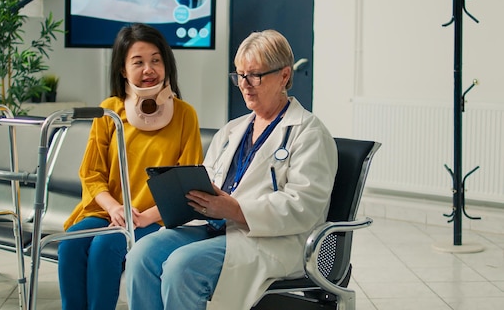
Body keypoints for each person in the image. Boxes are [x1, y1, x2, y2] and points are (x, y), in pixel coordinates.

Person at [125, 29, 339, 310]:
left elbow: (304, 207)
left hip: (271, 239)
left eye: (255, 75)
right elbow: (210, 180)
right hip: (217, 227)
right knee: (142, 254)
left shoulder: (309, 133)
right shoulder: (232, 130)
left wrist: (235, 210)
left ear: (284, 76)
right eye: (239, 75)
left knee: (182, 266)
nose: (245, 84)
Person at [57, 23, 204, 310]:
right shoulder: (108, 111)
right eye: (138, 62)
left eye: (155, 60)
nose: (148, 69)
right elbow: (91, 174)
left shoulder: (185, 115)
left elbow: (187, 185)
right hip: (107, 212)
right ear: (123, 70)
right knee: (71, 244)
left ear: (166, 65)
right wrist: (114, 208)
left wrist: (143, 217)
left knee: (105, 247)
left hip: (155, 218)